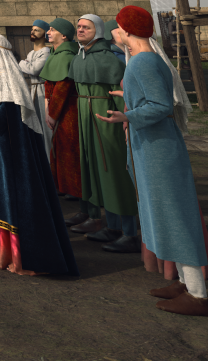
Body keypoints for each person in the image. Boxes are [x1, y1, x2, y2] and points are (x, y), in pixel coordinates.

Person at [100, 6, 208, 314]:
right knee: (164, 214)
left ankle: (199, 295)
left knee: (173, 215)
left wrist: (127, 114)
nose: (114, 33)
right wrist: (129, 98)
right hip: (152, 147)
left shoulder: (143, 61)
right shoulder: (145, 60)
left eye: (117, 28)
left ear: (127, 31)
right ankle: (187, 283)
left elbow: (160, 104)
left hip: (158, 150)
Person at [0, 34, 79, 276]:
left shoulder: (7, 76)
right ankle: (2, 253)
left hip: (7, 145)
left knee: (11, 193)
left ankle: (20, 256)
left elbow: (10, 107)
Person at [69, 13, 139, 250]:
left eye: (86, 27)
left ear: (97, 31)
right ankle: (112, 227)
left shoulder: (110, 60)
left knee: (114, 173)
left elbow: (123, 97)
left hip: (107, 121)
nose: (80, 30)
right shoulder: (79, 58)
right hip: (86, 120)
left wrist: (124, 123)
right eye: (78, 27)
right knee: (97, 172)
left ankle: (129, 233)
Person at [40, 18, 82, 205]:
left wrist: (52, 113)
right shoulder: (56, 54)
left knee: (69, 149)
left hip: (67, 111)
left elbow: (62, 88)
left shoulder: (66, 56)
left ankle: (74, 189)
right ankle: (63, 184)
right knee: (59, 147)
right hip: (56, 110)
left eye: (52, 29)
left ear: (63, 35)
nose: (48, 32)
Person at [17, 20, 52, 159]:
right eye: (32, 29)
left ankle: (50, 159)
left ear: (44, 34)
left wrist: (21, 63)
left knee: (45, 125)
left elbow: (34, 70)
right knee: (34, 124)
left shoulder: (46, 51)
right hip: (33, 90)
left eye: (37, 30)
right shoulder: (32, 52)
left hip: (43, 90)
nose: (33, 32)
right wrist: (26, 65)